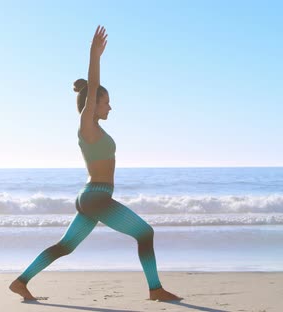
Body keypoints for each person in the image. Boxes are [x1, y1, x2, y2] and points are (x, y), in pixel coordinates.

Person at [9, 25, 183, 302]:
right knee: (145, 233)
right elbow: (91, 92)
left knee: (65, 246)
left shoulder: (96, 130)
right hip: (96, 197)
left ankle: (21, 281)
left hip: (91, 197)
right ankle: (155, 289)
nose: (110, 107)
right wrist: (95, 56)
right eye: (106, 103)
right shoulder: (87, 126)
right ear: (93, 104)